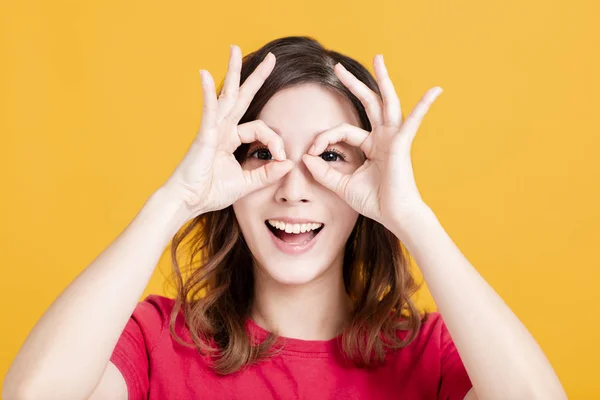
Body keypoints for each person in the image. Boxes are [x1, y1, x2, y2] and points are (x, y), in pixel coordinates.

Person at [3, 36, 566, 400]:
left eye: (330, 158)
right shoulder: (155, 342)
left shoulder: (434, 357)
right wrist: (176, 199)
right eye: (262, 154)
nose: (294, 191)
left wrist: (411, 217)